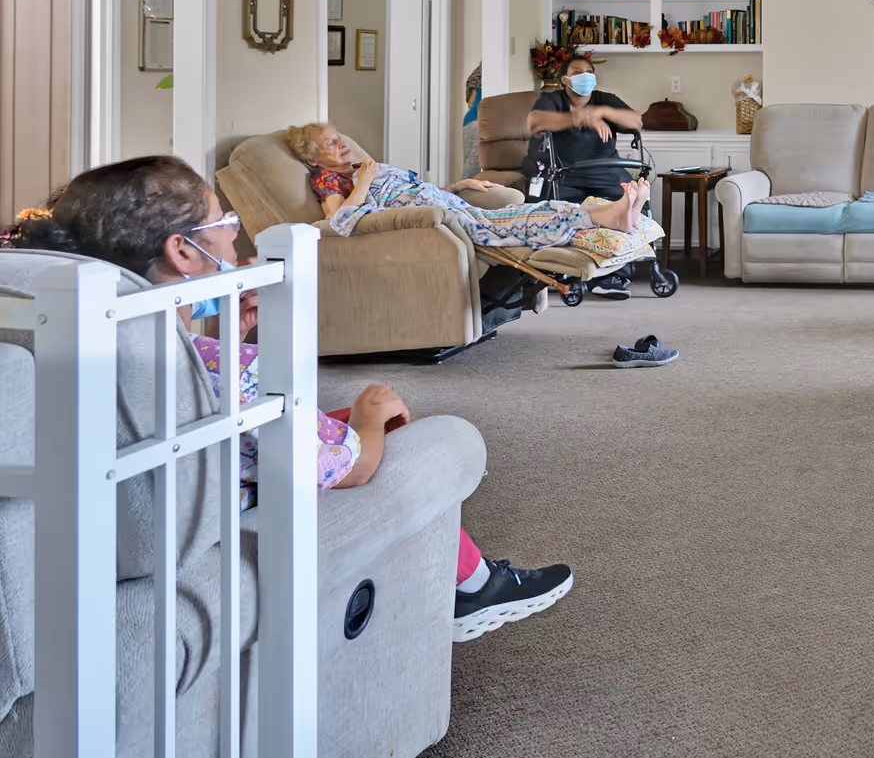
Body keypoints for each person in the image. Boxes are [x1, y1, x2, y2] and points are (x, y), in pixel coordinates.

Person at [7, 156, 573, 641]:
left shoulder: (89, 345)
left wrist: (232, 336)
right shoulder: (227, 374)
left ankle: (466, 579)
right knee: (404, 422)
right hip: (235, 508)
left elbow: (193, 392)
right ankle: (473, 586)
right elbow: (352, 466)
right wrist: (370, 417)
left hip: (152, 512)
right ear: (182, 251)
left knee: (338, 415)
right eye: (223, 222)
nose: (235, 236)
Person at [286, 123, 653, 248]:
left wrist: (458, 184)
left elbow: (413, 191)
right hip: (443, 223)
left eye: (338, 137)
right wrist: (364, 180)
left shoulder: (355, 167)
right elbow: (338, 221)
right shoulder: (330, 179)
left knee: (520, 211)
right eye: (331, 143)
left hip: (450, 206)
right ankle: (608, 216)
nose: (342, 144)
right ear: (315, 159)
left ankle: (610, 214)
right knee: (520, 220)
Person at [524, 55, 649, 298]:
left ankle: (612, 275)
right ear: (565, 79)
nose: (586, 76)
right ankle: (566, 270)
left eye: (589, 71)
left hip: (607, 173)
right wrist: (580, 118)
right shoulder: (552, 100)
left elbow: (636, 120)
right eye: (578, 71)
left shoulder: (605, 100)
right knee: (565, 212)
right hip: (563, 174)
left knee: (625, 205)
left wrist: (600, 112)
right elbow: (535, 122)